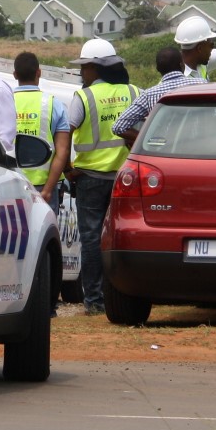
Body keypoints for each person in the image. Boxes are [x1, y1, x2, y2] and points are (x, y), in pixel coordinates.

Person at [64, 38, 139, 315]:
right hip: (125, 179)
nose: (82, 73)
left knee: (92, 238)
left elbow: (65, 134)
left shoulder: (83, 97)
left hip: (90, 179)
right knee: (123, 238)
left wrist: (67, 170)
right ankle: (122, 294)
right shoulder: (133, 91)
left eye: (84, 67)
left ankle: (94, 300)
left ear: (95, 68)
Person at [12, 51, 71, 207]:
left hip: (8, 185)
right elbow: (63, 151)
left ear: (15, 74)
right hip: (44, 188)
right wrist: (48, 190)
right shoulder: (54, 105)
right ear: (39, 72)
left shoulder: (4, 101)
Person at [112, 47, 198, 146]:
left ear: (157, 69)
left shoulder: (149, 95)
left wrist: (148, 140)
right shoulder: (201, 85)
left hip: (167, 154)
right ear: (182, 64)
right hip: (200, 150)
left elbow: (118, 127)